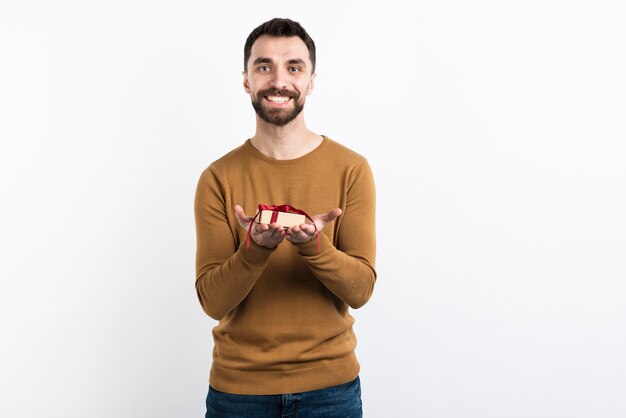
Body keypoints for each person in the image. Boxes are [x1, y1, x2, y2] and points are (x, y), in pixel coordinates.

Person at [194, 17, 376, 418]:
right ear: (246, 80)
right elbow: (211, 300)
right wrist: (254, 250)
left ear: (311, 81)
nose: (279, 80)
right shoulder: (217, 178)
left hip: (331, 391)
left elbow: (361, 290)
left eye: (294, 67)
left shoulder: (352, 169)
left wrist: (312, 243)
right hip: (238, 394)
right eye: (264, 67)